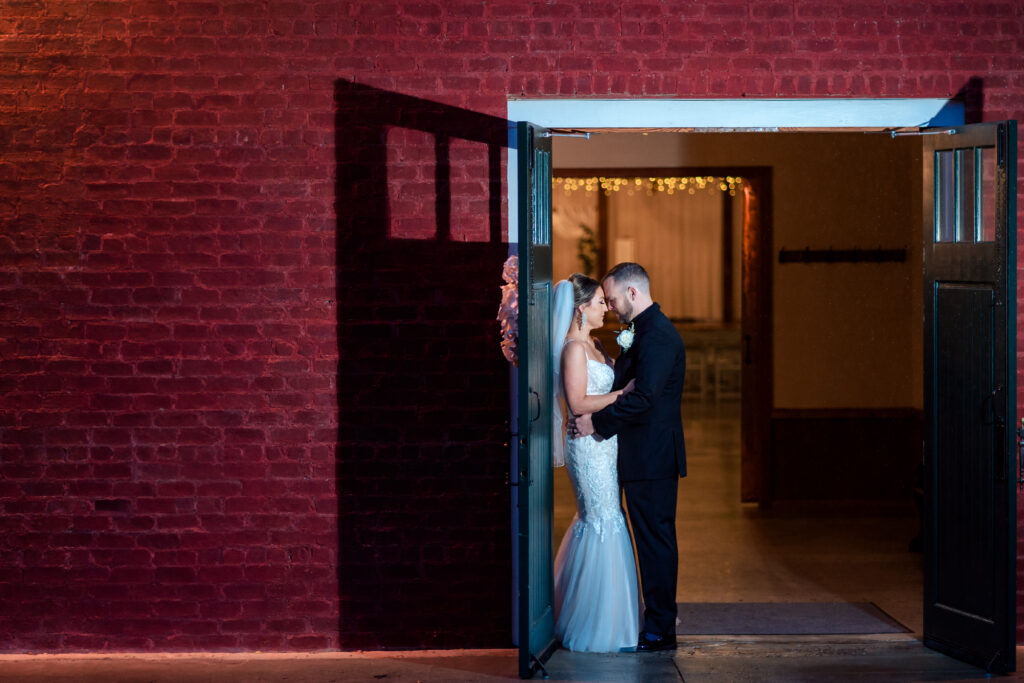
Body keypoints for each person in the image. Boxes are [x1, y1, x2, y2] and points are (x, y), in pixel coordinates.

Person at [570, 262, 687, 652]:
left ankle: (659, 629)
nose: (613, 307)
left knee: (655, 543)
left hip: (651, 458)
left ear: (633, 293)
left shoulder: (658, 337)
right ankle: (653, 620)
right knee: (650, 540)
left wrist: (597, 424)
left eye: (615, 298)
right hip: (637, 456)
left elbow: (644, 397)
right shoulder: (645, 332)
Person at [550, 273, 641, 653]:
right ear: (581, 309)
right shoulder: (573, 349)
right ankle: (596, 623)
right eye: (600, 302)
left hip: (607, 443)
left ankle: (616, 615)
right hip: (587, 446)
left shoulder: (595, 343)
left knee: (607, 517)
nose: (607, 306)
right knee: (602, 519)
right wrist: (623, 393)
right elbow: (578, 404)